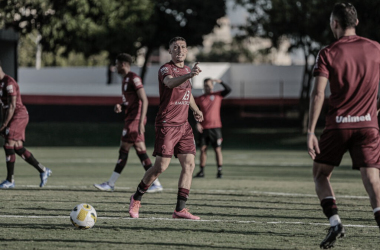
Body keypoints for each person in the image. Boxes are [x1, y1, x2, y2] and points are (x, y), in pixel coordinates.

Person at [307, 3, 380, 248]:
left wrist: (310, 131)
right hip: (369, 126)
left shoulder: (328, 53)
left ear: (334, 23)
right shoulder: (376, 48)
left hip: (338, 125)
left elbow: (318, 94)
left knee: (320, 174)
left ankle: (335, 222)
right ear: (356, 22)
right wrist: (375, 109)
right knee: (372, 178)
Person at [128, 37, 203, 220]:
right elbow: (170, 83)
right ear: (170, 51)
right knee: (161, 166)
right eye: (175, 47)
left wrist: (196, 110)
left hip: (184, 125)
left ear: (187, 50)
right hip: (167, 124)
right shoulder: (166, 69)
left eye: (183, 47)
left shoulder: (187, 69)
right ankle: (136, 197)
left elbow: (188, 93)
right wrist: (190, 75)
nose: (179, 50)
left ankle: (180, 209)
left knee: (190, 164)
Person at [94, 53, 163, 193]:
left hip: (135, 120)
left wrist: (141, 122)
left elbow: (144, 99)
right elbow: (131, 101)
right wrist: (121, 106)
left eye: (117, 64)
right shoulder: (125, 79)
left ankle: (111, 183)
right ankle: (155, 183)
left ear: (123, 64)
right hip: (131, 118)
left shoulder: (134, 78)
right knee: (140, 151)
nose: (116, 67)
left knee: (124, 150)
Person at [0, 60, 52, 189]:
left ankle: (10, 180)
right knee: (17, 147)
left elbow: (12, 106)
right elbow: (4, 106)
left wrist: (5, 124)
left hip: (18, 115)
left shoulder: (9, 82)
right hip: (13, 116)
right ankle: (43, 170)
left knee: (8, 144)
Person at [194, 78, 231, 178]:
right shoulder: (200, 98)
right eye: (206, 86)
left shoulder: (217, 95)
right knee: (203, 150)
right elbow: (194, 111)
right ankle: (201, 171)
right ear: (204, 86)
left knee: (217, 150)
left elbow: (228, 90)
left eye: (209, 85)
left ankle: (219, 171)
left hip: (215, 128)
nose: (208, 87)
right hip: (204, 128)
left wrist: (221, 82)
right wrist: (197, 123)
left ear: (212, 86)